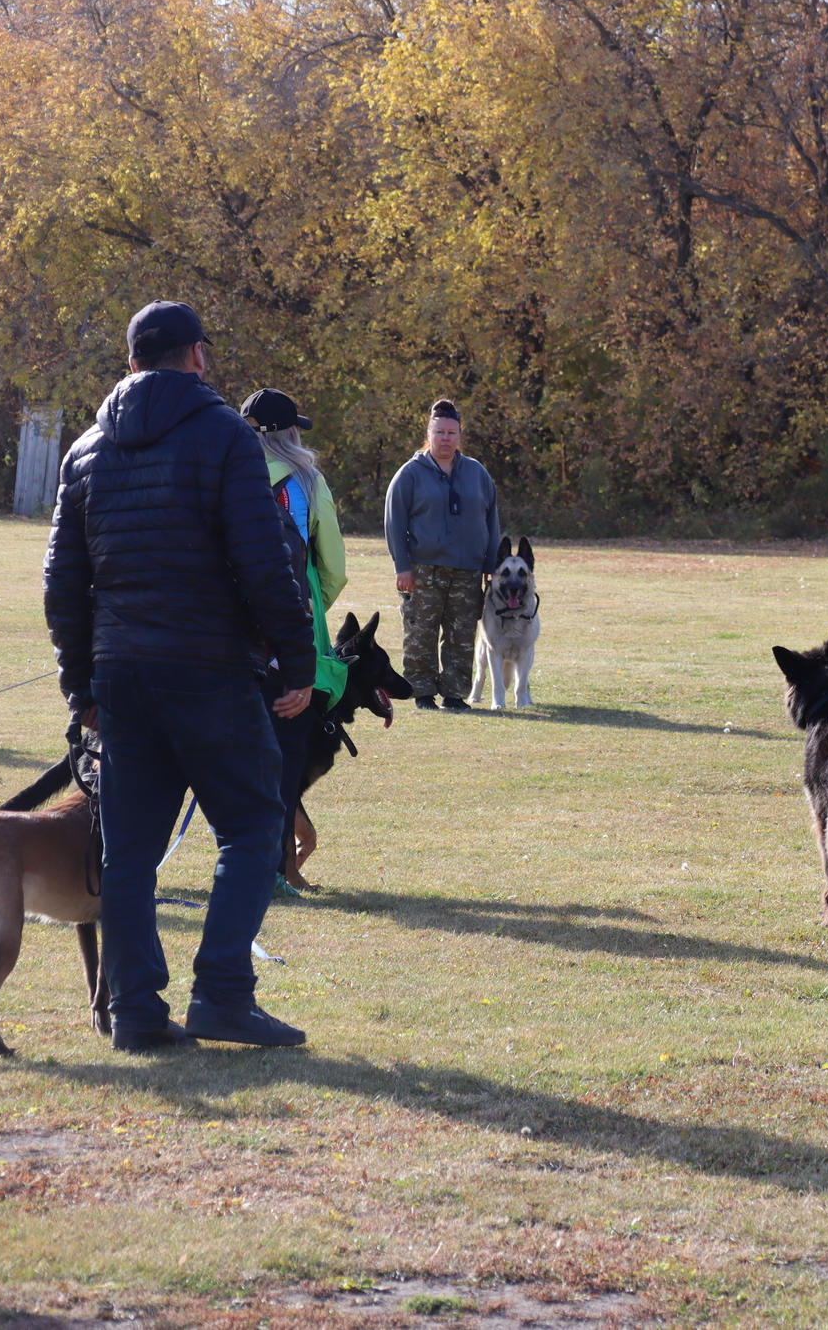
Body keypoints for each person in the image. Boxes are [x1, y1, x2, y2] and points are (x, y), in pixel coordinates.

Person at [44, 301, 317, 1052]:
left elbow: (62, 583)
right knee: (256, 824)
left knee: (129, 853)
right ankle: (223, 993)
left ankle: (134, 1010)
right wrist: (298, 660)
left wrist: (82, 687)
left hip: (122, 674)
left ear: (134, 360)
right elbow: (264, 564)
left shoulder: (87, 449)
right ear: (196, 355)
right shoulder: (227, 436)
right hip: (209, 669)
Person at [242, 387, 347, 895]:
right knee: (282, 757)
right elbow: (333, 568)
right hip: (288, 637)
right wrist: (310, 615)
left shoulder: (222, 471)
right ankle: (274, 870)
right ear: (285, 434)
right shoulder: (306, 480)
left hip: (223, 637)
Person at [384, 400, 501, 710]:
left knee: (461, 634)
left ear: (460, 434)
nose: (445, 438)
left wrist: (491, 565)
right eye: (439, 432)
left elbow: (491, 519)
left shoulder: (476, 473)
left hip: (468, 569)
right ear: (429, 432)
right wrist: (402, 567)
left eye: (451, 432)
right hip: (424, 569)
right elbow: (394, 522)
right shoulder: (410, 474)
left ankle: (455, 693)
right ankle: (422, 692)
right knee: (420, 632)